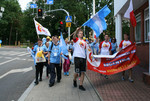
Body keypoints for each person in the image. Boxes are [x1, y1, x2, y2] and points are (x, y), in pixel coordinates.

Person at [73, 27, 87, 91]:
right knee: (77, 71)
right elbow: (73, 36)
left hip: (83, 57)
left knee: (82, 72)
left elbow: (87, 49)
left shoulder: (84, 42)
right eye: (80, 33)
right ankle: (74, 79)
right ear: (78, 34)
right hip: (77, 57)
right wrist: (76, 30)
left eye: (82, 33)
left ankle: (81, 85)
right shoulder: (76, 40)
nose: (81, 34)